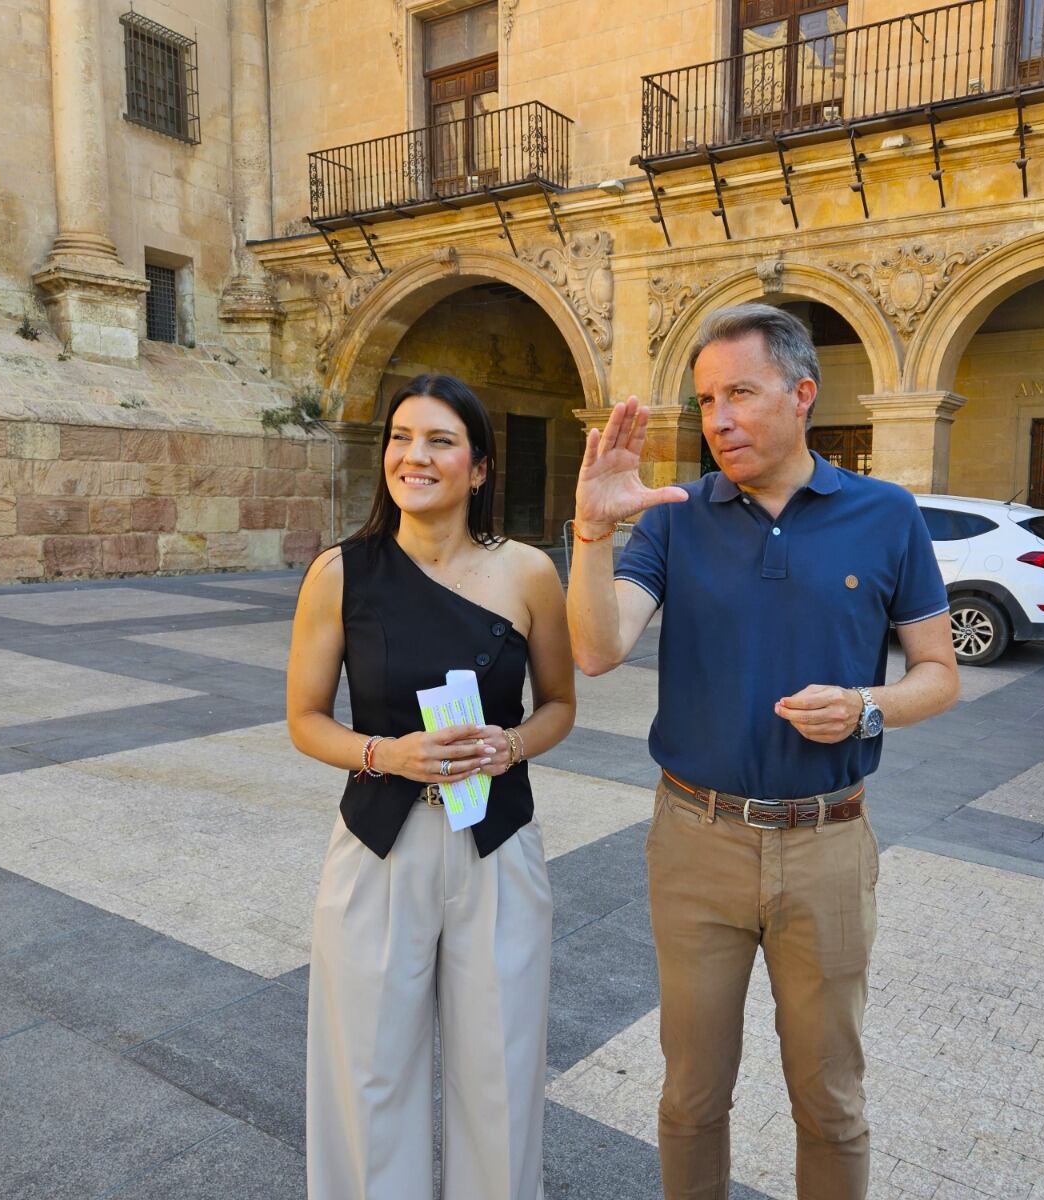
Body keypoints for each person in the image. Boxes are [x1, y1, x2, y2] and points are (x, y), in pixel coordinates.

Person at [566, 304, 960, 1200]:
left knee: (830, 1101)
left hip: (828, 843)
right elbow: (596, 649)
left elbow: (937, 674)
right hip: (696, 840)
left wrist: (867, 706)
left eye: (739, 393)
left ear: (803, 394)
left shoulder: (887, 515)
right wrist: (594, 534)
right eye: (706, 401)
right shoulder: (675, 517)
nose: (719, 420)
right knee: (691, 1097)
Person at [288, 373, 576, 1200]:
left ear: (480, 468)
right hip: (379, 842)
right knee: (370, 1074)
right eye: (401, 437)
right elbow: (306, 719)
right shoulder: (340, 573)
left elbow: (558, 705)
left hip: (497, 840)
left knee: (501, 1072)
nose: (415, 456)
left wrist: (511, 744)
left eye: (441, 440)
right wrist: (389, 755)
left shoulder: (527, 572)